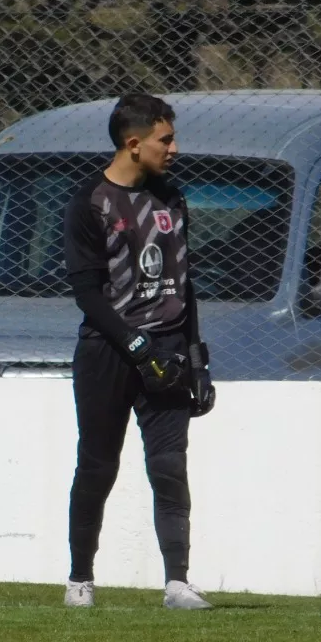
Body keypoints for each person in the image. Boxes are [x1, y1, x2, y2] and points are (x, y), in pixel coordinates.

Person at [62, 93, 216, 610]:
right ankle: (80, 580)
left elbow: (184, 285)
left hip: (167, 348)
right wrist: (133, 342)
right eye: (164, 139)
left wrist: (196, 359)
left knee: (169, 466)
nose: (174, 149)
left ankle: (177, 583)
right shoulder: (90, 203)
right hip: (108, 352)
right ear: (133, 144)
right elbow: (87, 293)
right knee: (97, 465)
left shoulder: (172, 199)